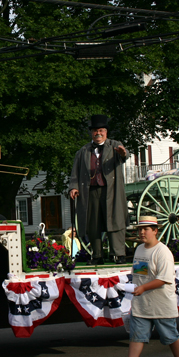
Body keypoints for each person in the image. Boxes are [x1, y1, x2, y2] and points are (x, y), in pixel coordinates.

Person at [110, 215, 179, 357]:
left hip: (160, 304)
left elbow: (164, 279)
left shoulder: (163, 252)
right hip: (142, 303)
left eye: (146, 229)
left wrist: (142, 288)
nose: (141, 232)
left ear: (155, 231)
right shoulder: (140, 249)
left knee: (170, 335)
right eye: (140, 229)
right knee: (136, 335)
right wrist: (131, 288)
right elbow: (141, 274)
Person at [68, 114, 128, 265]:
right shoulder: (83, 151)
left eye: (101, 130)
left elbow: (124, 155)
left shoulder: (114, 145)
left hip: (111, 191)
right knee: (92, 224)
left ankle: (118, 255)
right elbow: (75, 172)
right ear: (91, 133)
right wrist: (74, 187)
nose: (98, 133)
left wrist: (123, 154)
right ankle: (97, 255)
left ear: (106, 132)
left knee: (114, 221)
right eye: (95, 131)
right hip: (90, 192)